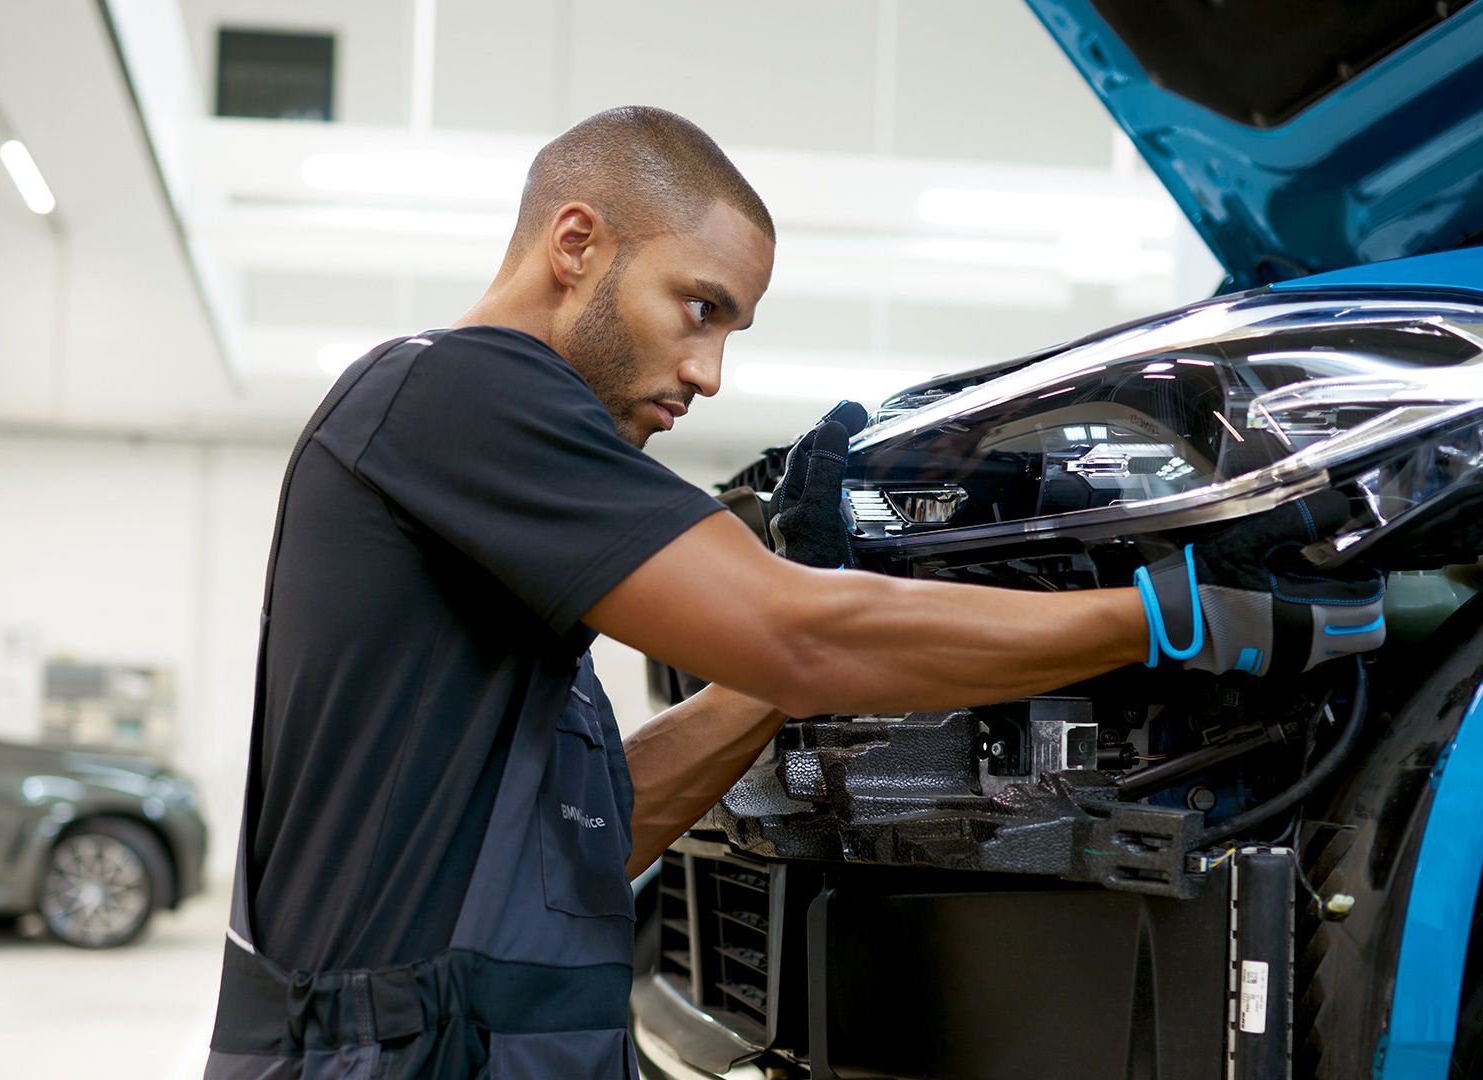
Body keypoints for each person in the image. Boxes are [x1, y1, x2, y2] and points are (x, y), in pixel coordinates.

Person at [204, 106, 1199, 1079]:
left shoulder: (503, 520)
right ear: (579, 244)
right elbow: (800, 642)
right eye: (700, 307)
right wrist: (1168, 618)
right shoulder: (459, 392)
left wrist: (793, 630)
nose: (710, 373)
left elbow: (589, 840)